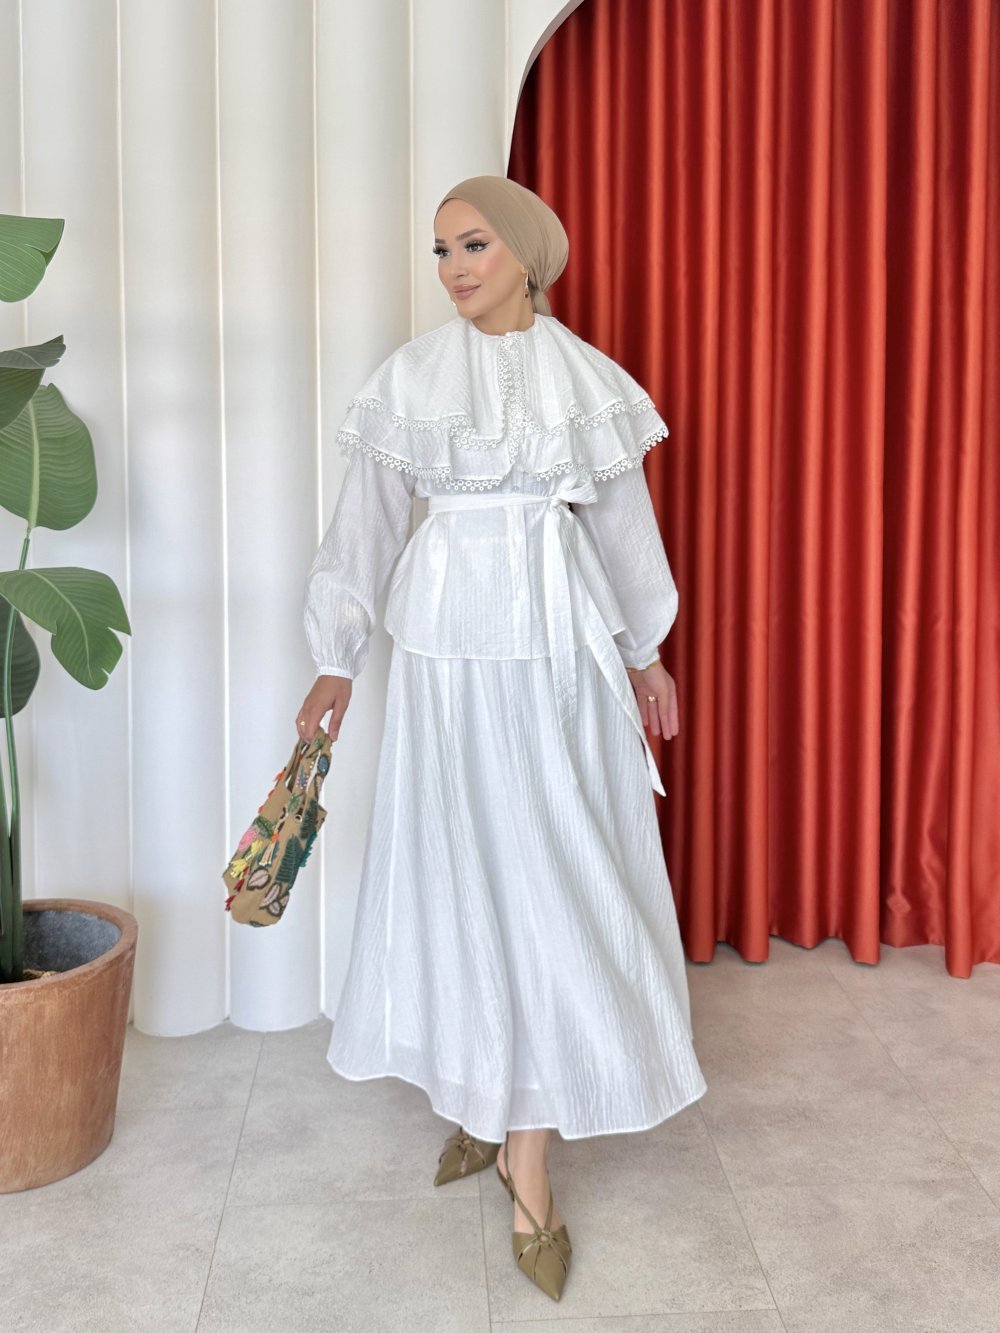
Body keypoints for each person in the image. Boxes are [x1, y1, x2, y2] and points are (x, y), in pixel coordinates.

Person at [296, 174, 707, 1302]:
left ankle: (527, 1154)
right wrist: (336, 658)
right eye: (440, 250)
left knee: (552, 876)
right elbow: (363, 529)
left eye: (473, 244)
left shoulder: (588, 380)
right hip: (445, 660)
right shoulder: (410, 380)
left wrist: (644, 650)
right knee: (460, 871)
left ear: (526, 251)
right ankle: (486, 1097)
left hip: (560, 655)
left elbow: (624, 530)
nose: (453, 268)